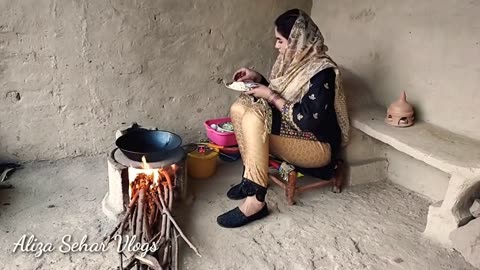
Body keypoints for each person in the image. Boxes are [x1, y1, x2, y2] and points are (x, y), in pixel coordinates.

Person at [217, 9, 350, 228]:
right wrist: (257, 79)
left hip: (316, 146)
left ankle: (255, 201)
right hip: (295, 133)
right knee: (240, 107)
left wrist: (269, 95)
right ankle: (250, 179)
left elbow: (305, 119)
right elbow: (287, 96)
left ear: (297, 42)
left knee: (255, 120)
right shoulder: (295, 63)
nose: (276, 46)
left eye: (280, 41)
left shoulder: (321, 73)